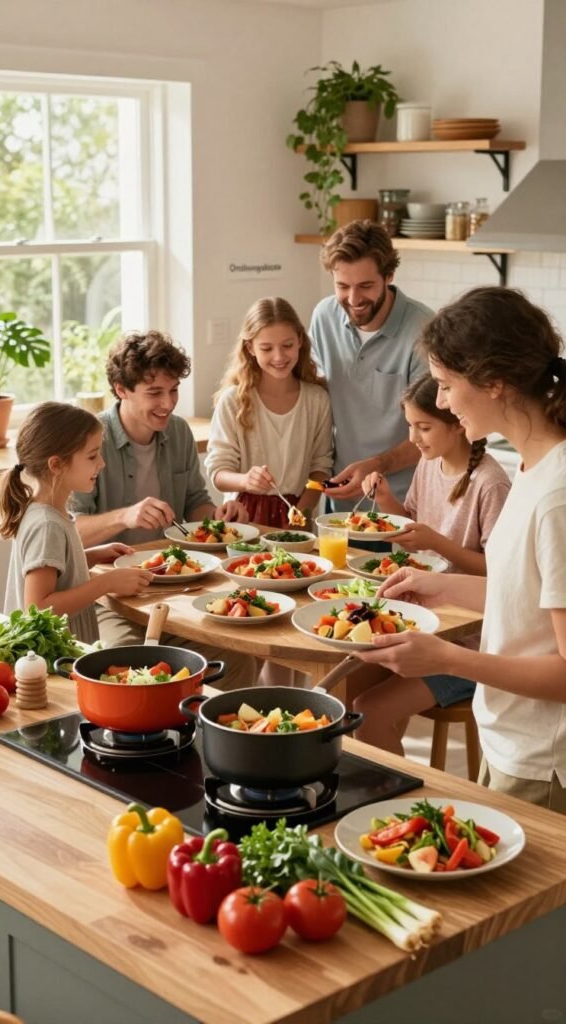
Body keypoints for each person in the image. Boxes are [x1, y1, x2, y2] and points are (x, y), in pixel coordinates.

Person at [354, 286, 566, 814]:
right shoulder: (532, 465)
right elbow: (526, 599)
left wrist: (450, 658)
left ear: (494, 383)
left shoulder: (558, 494)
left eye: (447, 385)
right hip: (511, 740)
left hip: (543, 759)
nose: (442, 400)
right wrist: (438, 585)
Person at [73, 330, 256, 689]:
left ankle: (210, 744)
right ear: (121, 389)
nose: (168, 403)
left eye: (173, 390)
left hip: (173, 590)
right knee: (125, 669)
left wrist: (218, 518)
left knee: (235, 659)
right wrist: (124, 516)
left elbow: (194, 504)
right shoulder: (92, 440)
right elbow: (70, 532)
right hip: (108, 597)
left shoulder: (179, 432)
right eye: (154, 393)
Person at [351, 372, 510, 752]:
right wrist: (388, 501)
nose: (412, 439)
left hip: (468, 643)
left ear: (458, 425)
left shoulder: (490, 483)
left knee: (368, 710)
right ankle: (367, 782)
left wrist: (436, 542)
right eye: (409, 426)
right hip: (423, 620)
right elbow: (413, 525)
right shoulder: (429, 466)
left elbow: (500, 574)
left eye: (423, 427)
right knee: (345, 685)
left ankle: (394, 805)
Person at [0, 402, 152, 645]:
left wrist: (89, 556)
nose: (101, 463)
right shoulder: (47, 525)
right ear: (56, 465)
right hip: (53, 661)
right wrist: (106, 583)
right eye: (92, 456)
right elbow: (38, 608)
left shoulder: (47, 513)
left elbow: (53, 574)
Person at [309, 220, 432, 510]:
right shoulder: (324, 317)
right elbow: (314, 396)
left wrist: (378, 465)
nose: (353, 299)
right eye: (342, 286)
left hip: (400, 504)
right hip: (339, 502)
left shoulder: (424, 330)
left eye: (365, 286)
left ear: (389, 275)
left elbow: (432, 431)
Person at [205, 297, 333, 529]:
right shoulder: (233, 401)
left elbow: (321, 467)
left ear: (300, 341)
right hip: (242, 518)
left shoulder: (317, 400)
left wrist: (301, 516)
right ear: (250, 348)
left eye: (287, 345)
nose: (279, 357)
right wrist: (246, 480)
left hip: (298, 515)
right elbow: (218, 474)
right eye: (266, 348)